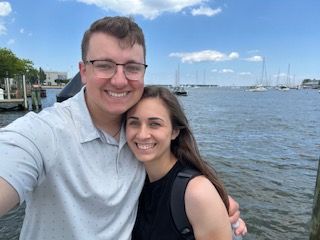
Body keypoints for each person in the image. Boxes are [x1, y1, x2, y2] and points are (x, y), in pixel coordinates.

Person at [0, 16, 246, 239]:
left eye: (131, 67)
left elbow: (176, 174)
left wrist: (210, 201)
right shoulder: (44, 133)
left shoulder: (138, 140)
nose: (119, 80)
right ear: (84, 71)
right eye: (104, 65)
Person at [126, 86, 232, 239]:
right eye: (134, 123)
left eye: (154, 124)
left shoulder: (196, 192)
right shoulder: (135, 179)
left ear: (175, 131)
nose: (142, 135)